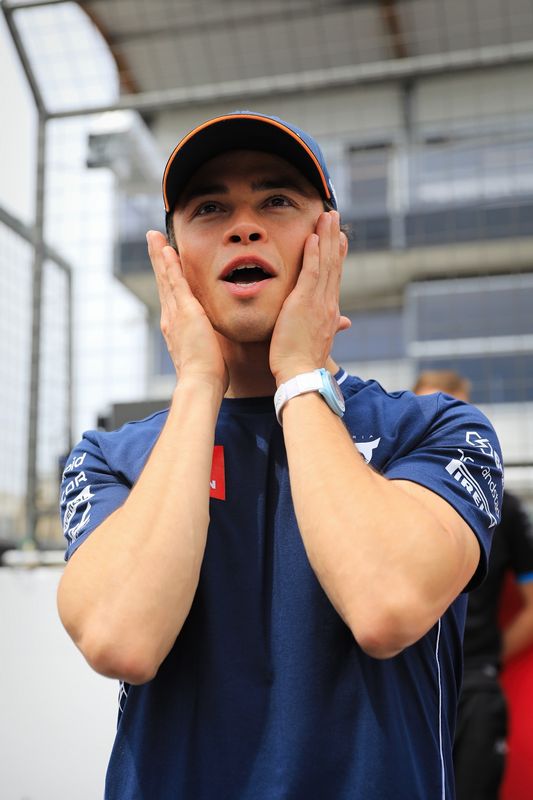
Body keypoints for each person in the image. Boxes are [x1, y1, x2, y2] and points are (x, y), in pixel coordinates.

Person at [57, 112, 503, 800]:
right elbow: (122, 640)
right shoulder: (111, 456)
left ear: (329, 243)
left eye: (277, 200)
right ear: (172, 259)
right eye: (210, 208)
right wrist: (198, 381)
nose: (244, 227)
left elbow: (386, 606)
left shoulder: (434, 427)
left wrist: (298, 372)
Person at [414, 369, 533, 800]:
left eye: (454, 410)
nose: (442, 420)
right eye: (428, 408)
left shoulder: (504, 507)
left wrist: (488, 658)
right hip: (411, 682)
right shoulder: (387, 492)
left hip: (476, 685)